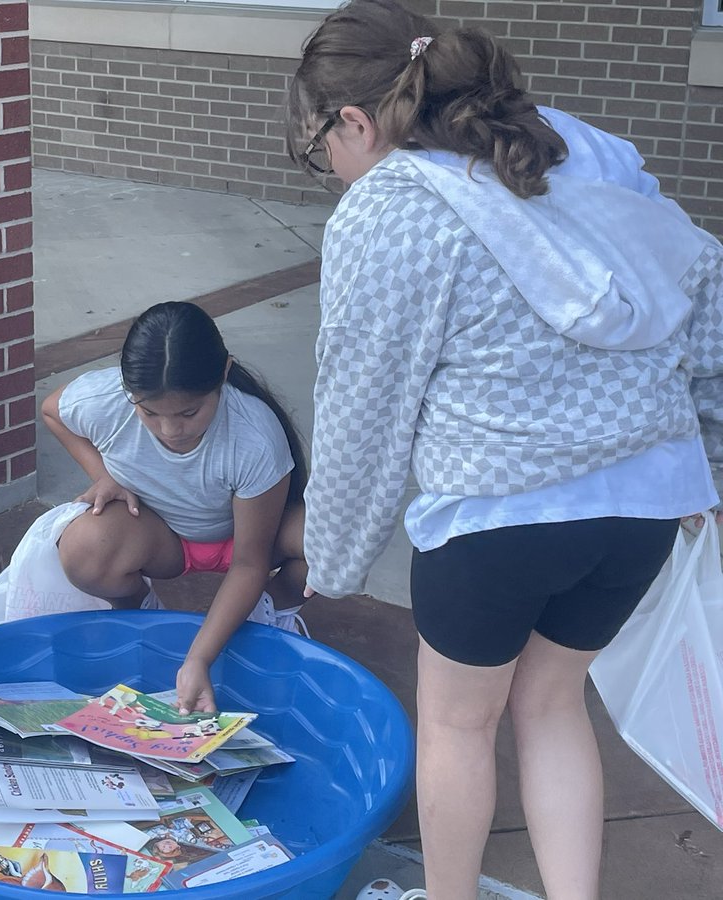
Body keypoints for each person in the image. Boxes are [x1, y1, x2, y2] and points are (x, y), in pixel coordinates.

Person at [286, 2, 723, 899]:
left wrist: (331, 556)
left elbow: (364, 408)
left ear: (357, 121)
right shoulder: (588, 155)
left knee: (458, 726)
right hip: (638, 507)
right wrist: (707, 460)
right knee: (555, 705)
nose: (326, 166)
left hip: (496, 517)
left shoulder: (392, 210)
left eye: (317, 144)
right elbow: (704, 292)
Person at [40, 301, 309, 716]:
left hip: (248, 538)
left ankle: (269, 610)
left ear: (222, 374)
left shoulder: (254, 435)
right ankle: (139, 610)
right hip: (162, 536)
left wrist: (198, 658)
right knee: (84, 547)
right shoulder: (105, 400)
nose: (170, 430)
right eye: (149, 412)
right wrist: (103, 475)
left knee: (331, 540)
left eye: (189, 412)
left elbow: (249, 563)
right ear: (129, 390)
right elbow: (53, 411)